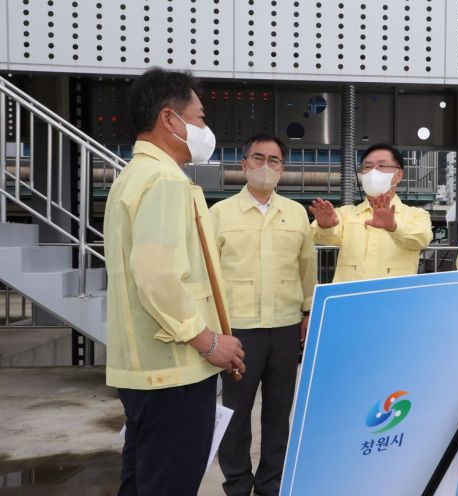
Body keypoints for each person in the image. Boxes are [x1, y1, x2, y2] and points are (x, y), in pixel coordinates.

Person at [104, 68, 246, 496]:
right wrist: (209, 341)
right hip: (175, 375)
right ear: (170, 119)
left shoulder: (134, 176)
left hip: (148, 374)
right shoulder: (164, 181)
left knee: (143, 481)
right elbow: (158, 277)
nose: (205, 129)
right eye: (199, 118)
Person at [211, 133, 317, 496]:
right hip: (238, 329)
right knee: (236, 414)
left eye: (273, 160)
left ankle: (270, 483)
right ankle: (238, 484)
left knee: (278, 412)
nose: (265, 166)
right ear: (243, 165)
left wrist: (307, 310)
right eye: (258, 158)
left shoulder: (296, 213)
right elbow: (207, 273)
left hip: (286, 329)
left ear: (282, 169)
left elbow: (307, 267)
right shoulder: (219, 214)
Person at [309, 143, 433, 282]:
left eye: (382, 165)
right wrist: (326, 226)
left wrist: (393, 227)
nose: (374, 172)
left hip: (396, 298)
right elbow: (321, 237)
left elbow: (422, 239)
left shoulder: (416, 214)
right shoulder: (346, 213)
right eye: (368, 167)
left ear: (398, 175)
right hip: (351, 298)